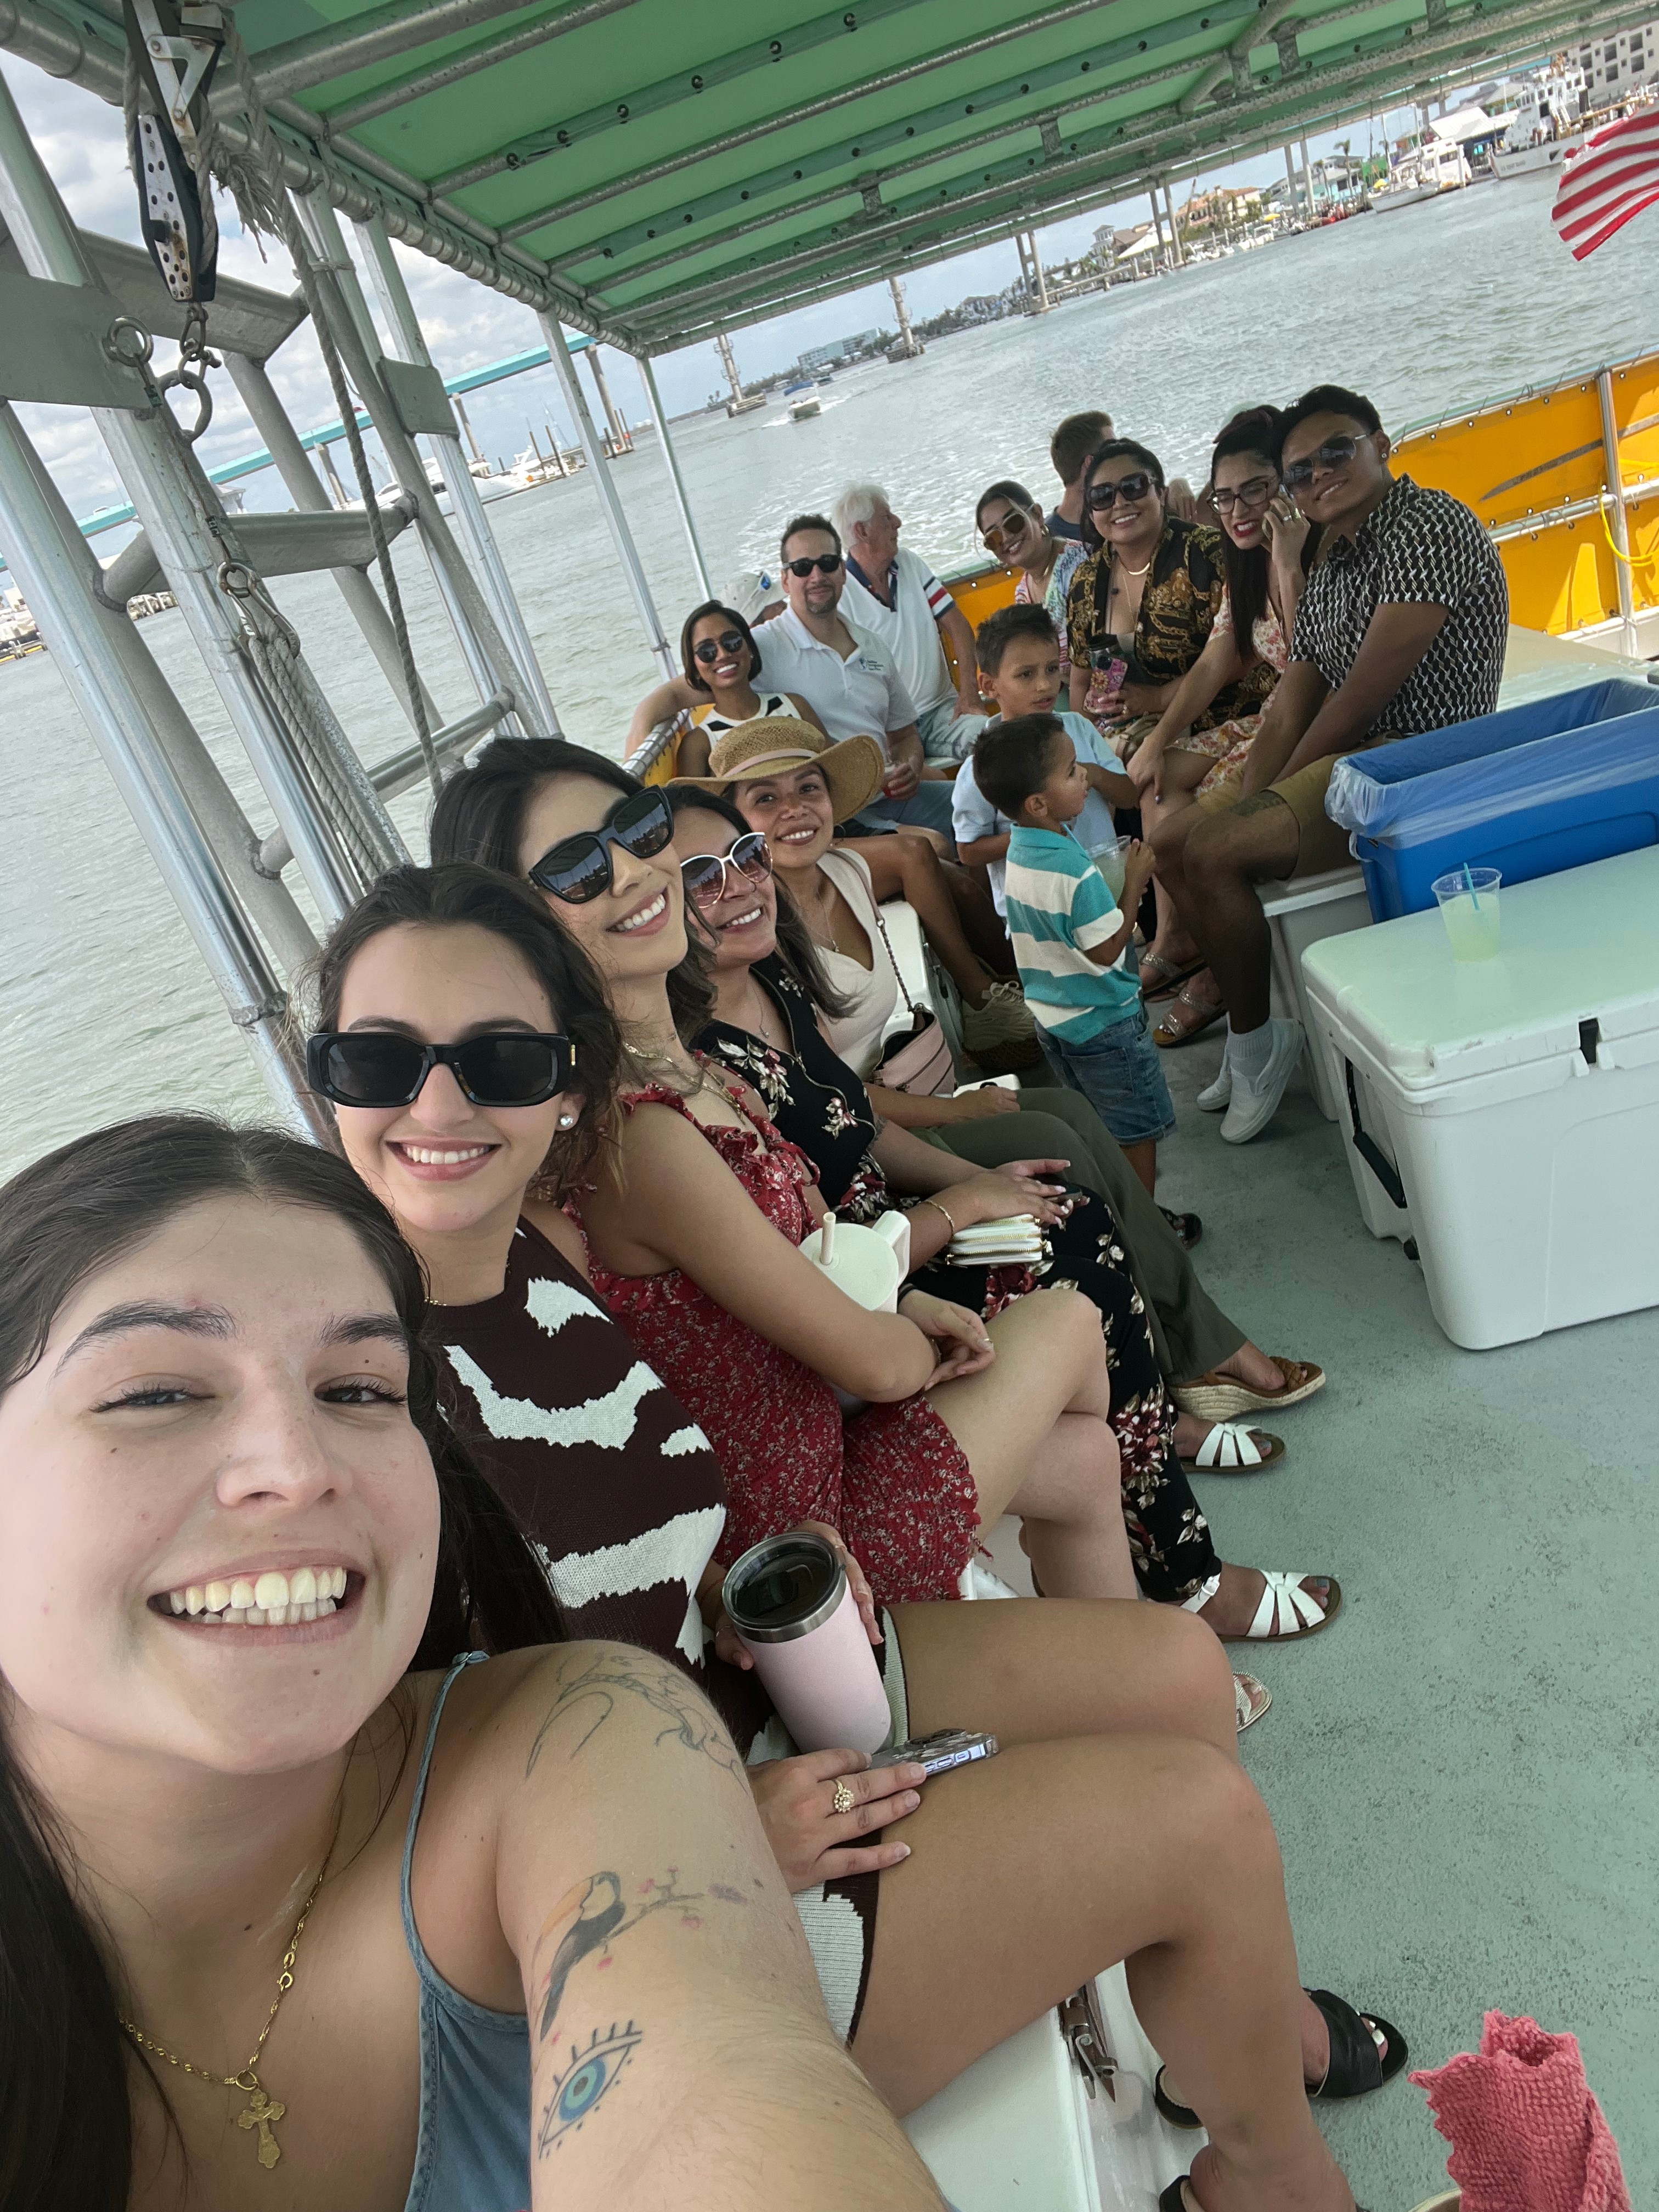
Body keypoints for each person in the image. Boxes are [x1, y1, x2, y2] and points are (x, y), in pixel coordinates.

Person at [303, 879, 1400, 2205]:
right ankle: (1271, 2173)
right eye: (377, 1060)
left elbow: (615, 1529)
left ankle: (1242, 2040)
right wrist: (709, 1830)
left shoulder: (532, 1260)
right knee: (1200, 1827)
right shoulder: (360, 1395)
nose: (435, 1105)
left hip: (754, 1703)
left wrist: (728, 1570)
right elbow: (386, 1824)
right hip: (662, 1919)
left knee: (1171, 1667)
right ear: (325, 1081)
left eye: (500, 1059)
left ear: (565, 1082)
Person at [0, 1114, 947, 2209]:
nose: (297, 1467)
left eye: (359, 1389)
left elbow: (719, 2081)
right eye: (156, 1392)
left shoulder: (569, 1737)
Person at [429, 734, 1341, 1643]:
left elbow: (810, 1235)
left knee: (1080, 1448)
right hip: (811, 1528)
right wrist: (908, 1317)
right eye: (575, 867)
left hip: (827, 1411)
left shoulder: (689, 1070)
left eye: (634, 827)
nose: (631, 870)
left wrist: (905, 1295)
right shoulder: (644, 1127)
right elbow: (869, 1360)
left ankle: (1134, 1649)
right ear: (518, 926)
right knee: (1068, 1302)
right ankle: (1176, 1589)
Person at [670, 782, 1300, 1509]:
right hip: (871, 1263)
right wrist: (966, 1187)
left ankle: (1170, 1386)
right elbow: (813, 1238)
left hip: (887, 1169)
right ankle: (1168, 1410)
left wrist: (976, 1175)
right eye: (701, 877)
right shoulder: (701, 1067)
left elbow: (851, 1112)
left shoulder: (774, 964)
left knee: (1059, 1157)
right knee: (1071, 1209)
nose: (740, 881)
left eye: (745, 858)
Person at [1154, 383, 1510, 1144]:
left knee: (1217, 850)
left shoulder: (1428, 526)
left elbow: (1360, 694)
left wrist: (1265, 801)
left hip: (1422, 762)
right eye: (1301, 471)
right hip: (1358, 758)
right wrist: (1258, 797)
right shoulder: (1337, 558)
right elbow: (1293, 698)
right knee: (1174, 843)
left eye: (1336, 452)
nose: (1318, 476)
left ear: (1380, 444)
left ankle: (1256, 1040)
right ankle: (1264, 1023)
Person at [679, 718, 1038, 1077]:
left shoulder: (847, 870)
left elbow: (911, 853)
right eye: (766, 797)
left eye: (808, 788)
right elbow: (820, 1092)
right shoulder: (749, 932)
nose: (794, 808)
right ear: (734, 822)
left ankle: (984, 999)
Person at [1129, 407, 1321, 1043]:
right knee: (1154, 792)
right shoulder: (1246, 563)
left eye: (1256, 491)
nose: (1237, 511)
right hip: (1269, 721)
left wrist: (1290, 566)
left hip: (1306, 725)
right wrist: (1158, 743)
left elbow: (1307, 666)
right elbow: (1219, 657)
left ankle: (1218, 981)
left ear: (1288, 487)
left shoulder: (1308, 557)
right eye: (1224, 497)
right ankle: (1201, 951)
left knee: (1185, 845)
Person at [624, 516, 957, 840]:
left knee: (982, 808)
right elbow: (671, 697)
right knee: (930, 848)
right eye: (802, 567)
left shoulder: (874, 646)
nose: (816, 576)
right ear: (786, 581)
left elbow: (903, 736)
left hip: (886, 792)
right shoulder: (759, 649)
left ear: (843, 572)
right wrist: (632, 777)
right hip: (827, 807)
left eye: (827, 563)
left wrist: (910, 767)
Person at [978, 713, 1176, 1200]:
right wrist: (1134, 884)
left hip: (1057, 1020)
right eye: (1071, 770)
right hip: (1105, 1022)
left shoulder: (1024, 848)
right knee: (1135, 1131)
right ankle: (1145, 1227)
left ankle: (1109, 1207)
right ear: (1038, 802)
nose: (1084, 773)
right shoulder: (1073, 869)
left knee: (1097, 1124)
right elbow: (1108, 950)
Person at [952, 602, 1134, 917]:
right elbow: (968, 851)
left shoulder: (1079, 728)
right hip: (1038, 913)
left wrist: (1093, 775)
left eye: (1052, 669)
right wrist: (1037, 831)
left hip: (1103, 891)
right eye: (1026, 674)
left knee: (1119, 960)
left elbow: (1129, 797)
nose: (1045, 685)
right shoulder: (983, 765)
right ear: (989, 686)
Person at [1065, 439, 1248, 748]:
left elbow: (1250, 650)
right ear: (1092, 511)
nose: (1119, 503)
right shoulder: (1086, 581)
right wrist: (1088, 751)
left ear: (1161, 493)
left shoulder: (1208, 553)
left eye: (1134, 487)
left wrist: (1158, 698)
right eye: (1103, 496)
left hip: (1224, 713)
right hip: (1133, 731)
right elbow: (1081, 683)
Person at [833, 484, 984, 761]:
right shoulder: (841, 596)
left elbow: (959, 627)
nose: (898, 523)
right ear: (862, 532)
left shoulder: (910, 563)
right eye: (886, 518)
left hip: (943, 711)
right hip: (889, 733)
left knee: (992, 739)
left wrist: (970, 696)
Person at [637, 598, 830, 778]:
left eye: (731, 641)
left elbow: (833, 768)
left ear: (750, 648)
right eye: (707, 651)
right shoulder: (699, 744)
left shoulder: (795, 705)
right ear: (695, 668)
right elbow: (695, 811)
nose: (722, 655)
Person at [974, 476, 1089, 686]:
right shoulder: (1024, 591)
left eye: (1014, 523)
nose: (1007, 538)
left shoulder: (1078, 567)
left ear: (1037, 515)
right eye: (994, 538)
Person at [1047, 409, 1197, 540]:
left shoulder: (1133, 509)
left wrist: (1177, 485)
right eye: (1111, 448)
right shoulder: (1051, 544)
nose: (1120, 451)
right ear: (1091, 464)